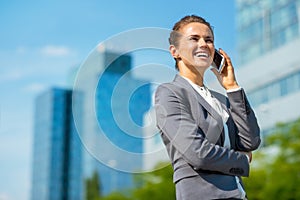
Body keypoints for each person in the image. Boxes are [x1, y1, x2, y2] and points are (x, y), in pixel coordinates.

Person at [155, 15, 261, 200]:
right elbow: (198, 153)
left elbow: (251, 141)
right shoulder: (169, 93)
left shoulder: (221, 99)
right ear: (175, 51)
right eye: (194, 39)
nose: (204, 44)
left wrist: (232, 87)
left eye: (209, 40)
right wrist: (243, 159)